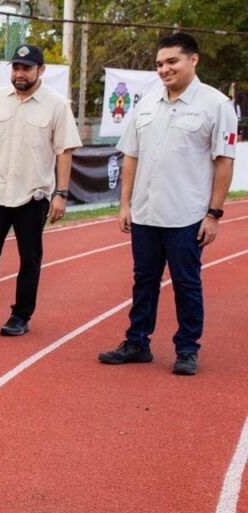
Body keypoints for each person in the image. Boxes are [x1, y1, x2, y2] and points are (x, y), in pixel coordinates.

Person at [98, 33, 236, 376]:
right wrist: (125, 204)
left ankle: (187, 348)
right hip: (145, 213)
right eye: (159, 63)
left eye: (172, 61)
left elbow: (224, 162)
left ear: (193, 60)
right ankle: (137, 343)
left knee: (186, 282)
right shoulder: (146, 104)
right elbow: (131, 155)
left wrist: (214, 214)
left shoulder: (215, 105)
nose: (164, 69)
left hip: (187, 215)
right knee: (143, 279)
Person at [0, 44, 82, 338]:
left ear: (40, 70)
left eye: (26, 68)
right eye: (15, 67)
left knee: (29, 256)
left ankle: (20, 315)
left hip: (34, 194)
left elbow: (64, 151)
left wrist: (62, 193)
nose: (19, 73)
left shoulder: (56, 105)